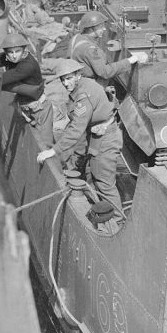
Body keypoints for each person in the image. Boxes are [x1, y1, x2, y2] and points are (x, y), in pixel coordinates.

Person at [36, 60, 125, 230]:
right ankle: (105, 211)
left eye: (69, 78)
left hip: (105, 138)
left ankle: (118, 222)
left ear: (78, 75)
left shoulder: (83, 96)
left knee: (103, 181)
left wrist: (52, 151)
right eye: (63, 79)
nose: (66, 83)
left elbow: (76, 129)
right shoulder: (84, 85)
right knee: (93, 174)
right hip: (97, 133)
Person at [0, 32, 54, 148]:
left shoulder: (27, 65)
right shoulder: (7, 58)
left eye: (17, 51)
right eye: (10, 52)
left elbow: (1, 80)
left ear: (24, 50)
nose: (14, 56)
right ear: (6, 52)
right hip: (25, 107)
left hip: (40, 110)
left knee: (46, 145)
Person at [69, 11, 146, 92]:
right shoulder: (90, 49)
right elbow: (105, 72)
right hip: (88, 88)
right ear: (92, 28)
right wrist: (130, 60)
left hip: (77, 82)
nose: (104, 29)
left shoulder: (76, 38)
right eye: (101, 27)